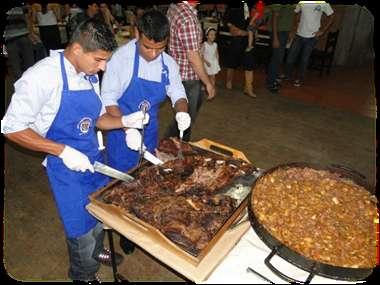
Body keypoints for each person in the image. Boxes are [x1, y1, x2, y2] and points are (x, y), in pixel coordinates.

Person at [1, 18, 150, 282]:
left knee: (98, 214)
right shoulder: (41, 77)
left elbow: (97, 117)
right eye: (99, 60)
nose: (103, 67)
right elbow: (11, 127)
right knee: (80, 228)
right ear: (78, 49)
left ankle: (95, 251)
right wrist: (62, 151)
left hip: (94, 158)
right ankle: (85, 275)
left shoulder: (88, 73)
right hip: (66, 170)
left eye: (106, 60)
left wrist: (125, 122)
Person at [101, 9, 191, 254]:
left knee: (145, 180)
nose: (153, 54)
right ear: (137, 33)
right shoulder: (121, 59)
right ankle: (123, 231)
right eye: (148, 47)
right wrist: (126, 125)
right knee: (121, 184)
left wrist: (182, 111)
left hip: (149, 129)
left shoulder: (167, 63)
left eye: (159, 48)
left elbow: (177, 91)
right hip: (121, 131)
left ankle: (140, 224)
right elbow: (108, 96)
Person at [165, 0, 215, 142]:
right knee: (185, 121)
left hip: (178, 71)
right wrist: (208, 83)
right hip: (188, 76)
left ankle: (169, 147)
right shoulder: (187, 18)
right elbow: (193, 56)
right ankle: (176, 151)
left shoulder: (174, 8)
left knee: (181, 117)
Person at [284, 1, 334, 87]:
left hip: (312, 37)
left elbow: (332, 16)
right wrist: (294, 26)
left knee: (304, 60)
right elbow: (295, 13)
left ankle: (300, 79)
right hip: (299, 35)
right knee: (290, 57)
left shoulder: (323, 3)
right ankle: (287, 75)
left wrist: (322, 31)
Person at [223, 2, 257, 98]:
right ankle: (229, 80)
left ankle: (248, 88)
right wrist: (232, 27)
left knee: (249, 62)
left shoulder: (252, 5)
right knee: (232, 61)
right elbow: (225, 19)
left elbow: (257, 20)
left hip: (248, 37)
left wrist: (251, 30)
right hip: (236, 37)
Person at [4, 2, 40, 80]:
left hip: (18, 39)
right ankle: (25, 87)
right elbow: (28, 19)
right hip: (17, 39)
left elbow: (27, 19)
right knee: (26, 67)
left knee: (19, 68)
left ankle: (26, 87)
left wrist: (31, 35)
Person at [265, 3, 296, 93]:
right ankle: (270, 82)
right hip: (278, 32)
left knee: (279, 57)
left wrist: (291, 30)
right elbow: (275, 17)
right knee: (277, 58)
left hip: (285, 31)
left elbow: (293, 14)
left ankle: (273, 79)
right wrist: (275, 38)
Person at [201, 28, 221, 94]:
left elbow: (216, 53)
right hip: (206, 63)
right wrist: (206, 62)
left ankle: (212, 89)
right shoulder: (204, 44)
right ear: (207, 36)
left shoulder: (215, 45)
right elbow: (201, 55)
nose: (213, 36)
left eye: (214, 35)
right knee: (206, 77)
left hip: (213, 63)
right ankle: (205, 86)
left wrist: (217, 62)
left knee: (213, 77)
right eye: (211, 35)